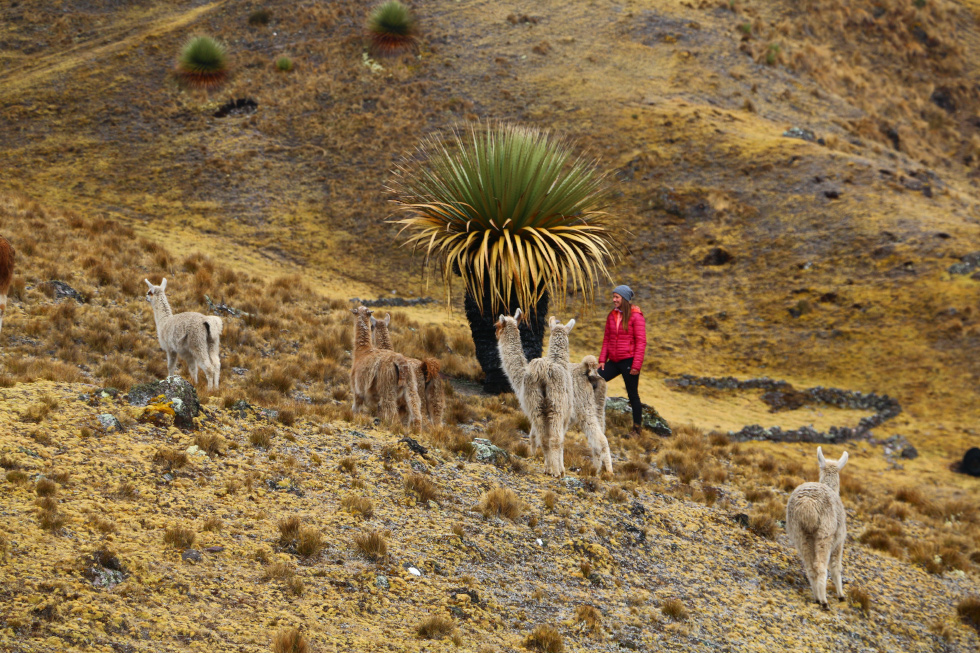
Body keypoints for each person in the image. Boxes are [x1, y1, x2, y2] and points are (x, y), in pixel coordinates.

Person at [598, 285, 647, 437]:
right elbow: (607, 339)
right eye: (613, 297)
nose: (614, 300)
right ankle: (590, 417)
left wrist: (636, 365)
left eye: (616, 297)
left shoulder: (636, 316)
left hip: (629, 361)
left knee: (633, 395)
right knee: (594, 380)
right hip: (613, 361)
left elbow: (641, 342)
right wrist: (602, 360)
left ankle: (637, 429)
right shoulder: (611, 315)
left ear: (624, 299)